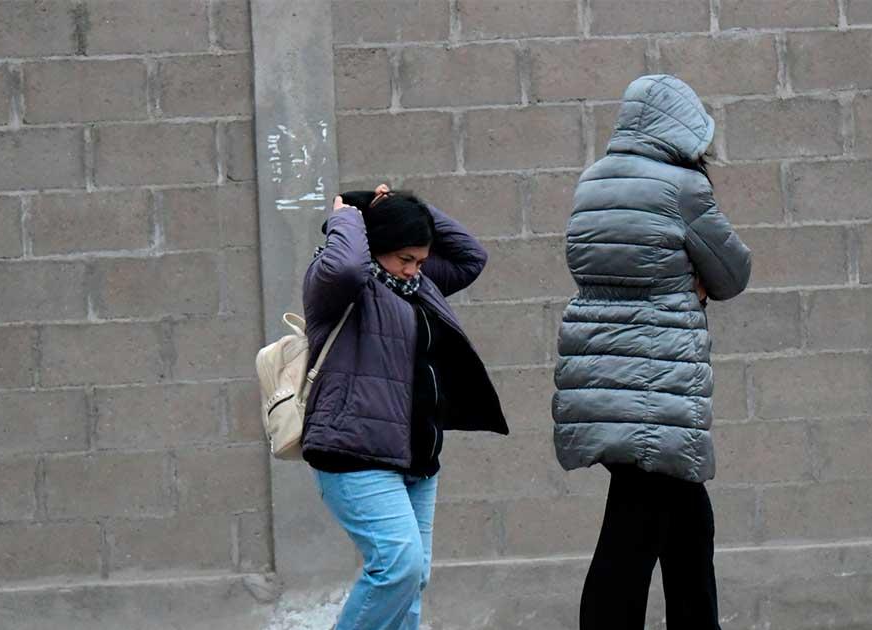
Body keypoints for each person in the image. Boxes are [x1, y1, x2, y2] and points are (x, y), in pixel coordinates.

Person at [552, 75, 752, 630]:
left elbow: (591, 269)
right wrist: (693, 281)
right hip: (658, 374)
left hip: (600, 369)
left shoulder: (590, 182)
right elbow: (733, 272)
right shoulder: (682, 189)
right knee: (635, 528)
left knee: (683, 521)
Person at [302, 184, 508, 630]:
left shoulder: (418, 286)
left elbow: (471, 257)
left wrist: (406, 206)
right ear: (374, 246)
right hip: (355, 453)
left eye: (420, 259)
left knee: (411, 584)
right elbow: (346, 264)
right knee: (398, 568)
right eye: (404, 259)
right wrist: (349, 215)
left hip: (416, 456)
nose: (415, 270)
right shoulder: (339, 287)